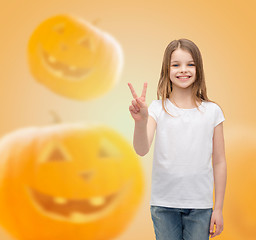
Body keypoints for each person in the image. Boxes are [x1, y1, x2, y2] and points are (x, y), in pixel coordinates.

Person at [128, 38, 227, 240]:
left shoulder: (212, 111)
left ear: (198, 68)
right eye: (176, 65)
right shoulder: (156, 108)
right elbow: (141, 148)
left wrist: (218, 208)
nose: (184, 70)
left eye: (190, 64)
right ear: (167, 69)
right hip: (164, 205)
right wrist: (141, 121)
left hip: (201, 206)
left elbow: (219, 161)